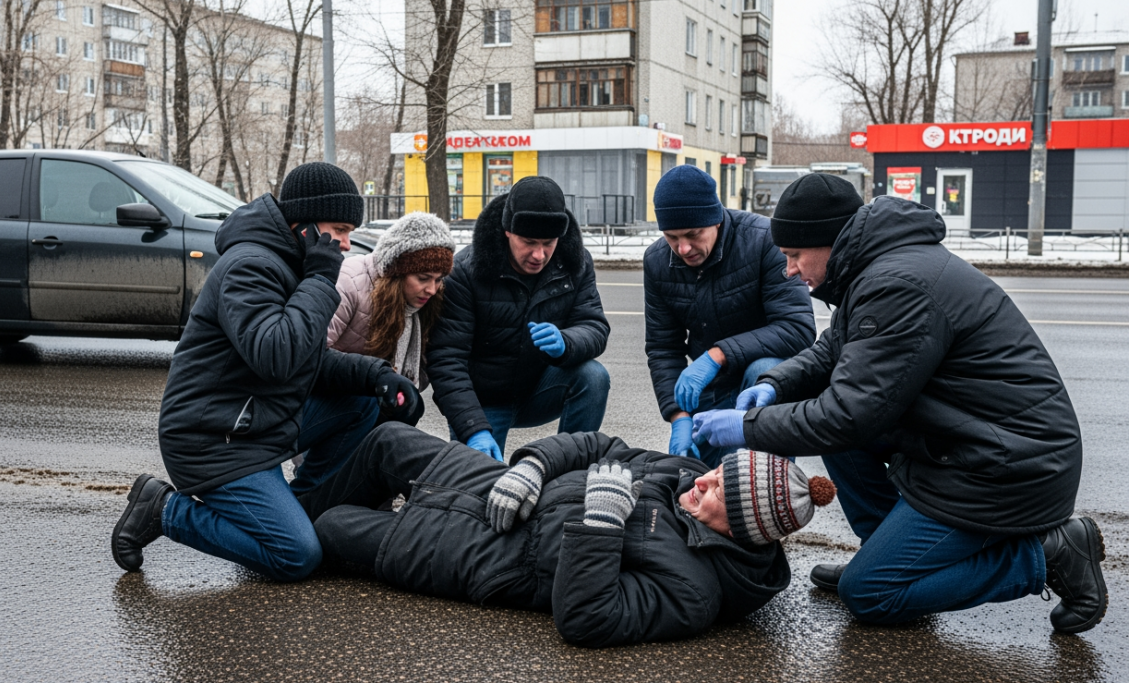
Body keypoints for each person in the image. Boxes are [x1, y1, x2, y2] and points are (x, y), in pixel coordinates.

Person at [689, 174, 1108, 633]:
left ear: (828, 243)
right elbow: (835, 350)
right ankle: (888, 556)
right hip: (975, 442)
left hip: (1008, 470)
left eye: (793, 256)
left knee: (870, 594)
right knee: (841, 432)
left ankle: (1050, 555)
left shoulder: (896, 284)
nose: (789, 270)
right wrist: (775, 383)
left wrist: (747, 425)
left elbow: (846, 415)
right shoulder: (877, 268)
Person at [110, 162, 423, 581]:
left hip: (257, 423)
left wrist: (375, 375)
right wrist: (320, 280)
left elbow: (307, 358)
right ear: (304, 224)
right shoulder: (251, 266)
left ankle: (305, 505)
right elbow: (276, 356)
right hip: (214, 440)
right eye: (340, 229)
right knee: (296, 556)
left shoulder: (292, 263)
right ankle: (163, 510)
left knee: (359, 404)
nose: (346, 244)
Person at [297, 422, 836, 647]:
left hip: (486, 554)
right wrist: (531, 465)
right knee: (389, 439)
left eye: (719, 491)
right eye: (720, 469)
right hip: (497, 487)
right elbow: (601, 445)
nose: (705, 479)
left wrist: (601, 522)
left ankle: (293, 539)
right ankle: (287, 518)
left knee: (332, 526)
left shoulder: (696, 592)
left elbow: (588, 617)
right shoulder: (686, 474)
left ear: (738, 529)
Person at [427, 176, 611, 461]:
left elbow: (594, 325)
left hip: (539, 389)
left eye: (548, 243)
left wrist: (567, 342)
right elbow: (446, 359)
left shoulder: (575, 263)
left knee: (594, 376)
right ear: (507, 232)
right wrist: (473, 428)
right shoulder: (465, 271)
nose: (539, 254)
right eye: (529, 242)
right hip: (482, 400)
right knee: (480, 489)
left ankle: (571, 468)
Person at [644, 165, 814, 466]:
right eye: (672, 237)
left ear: (717, 220)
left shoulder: (764, 240)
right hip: (713, 388)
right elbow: (663, 347)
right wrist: (678, 415)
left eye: (693, 235)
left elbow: (797, 328)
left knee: (763, 368)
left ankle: (770, 479)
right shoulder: (658, 260)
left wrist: (717, 355)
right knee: (697, 487)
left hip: (766, 380)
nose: (683, 248)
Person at [327, 211, 455, 395]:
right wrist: (374, 377)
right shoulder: (348, 283)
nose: (432, 290)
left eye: (438, 279)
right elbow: (312, 356)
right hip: (335, 399)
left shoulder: (430, 302)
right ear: (395, 271)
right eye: (423, 278)